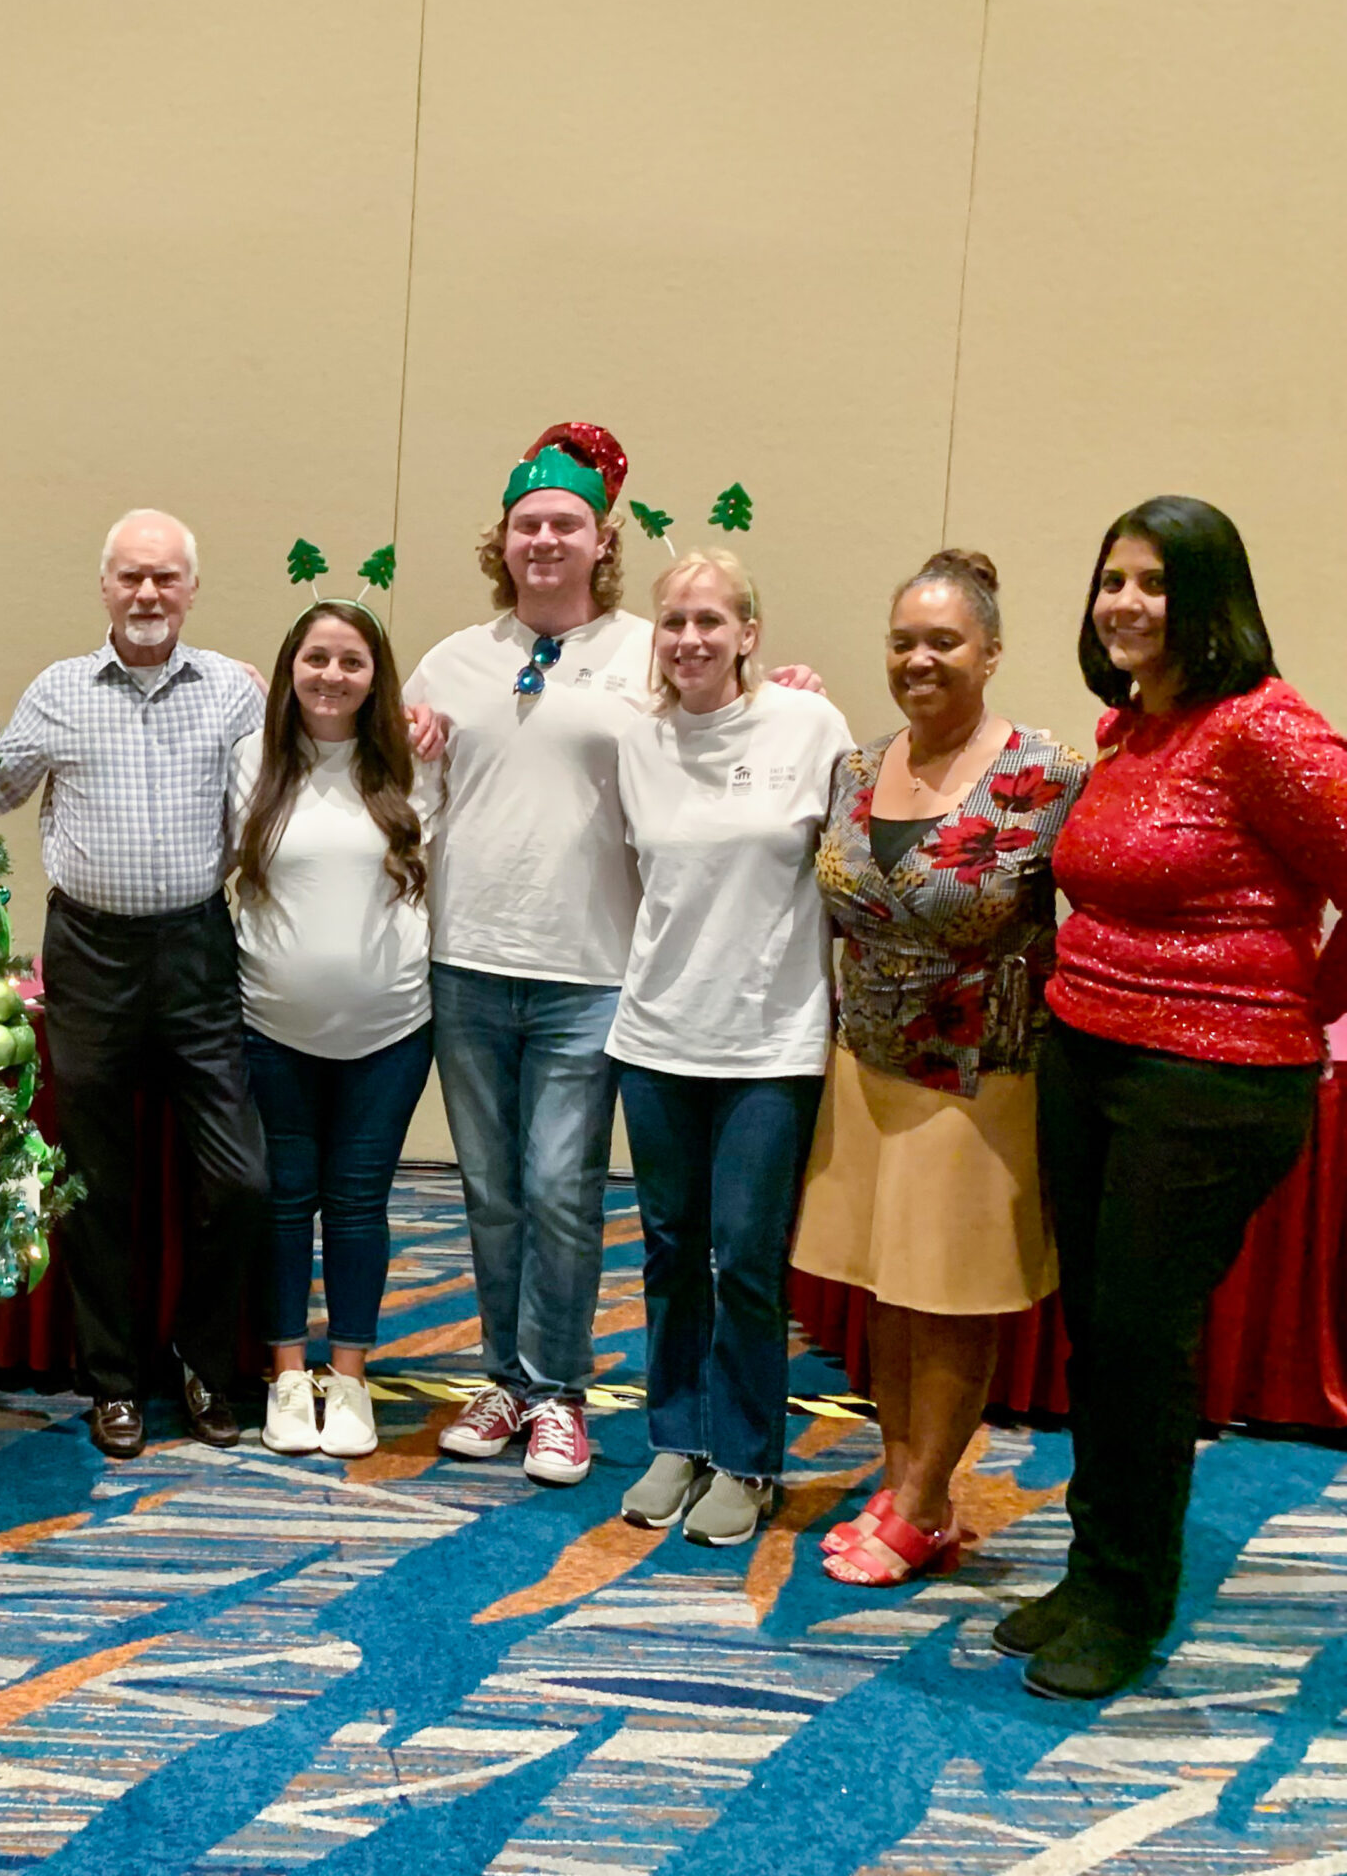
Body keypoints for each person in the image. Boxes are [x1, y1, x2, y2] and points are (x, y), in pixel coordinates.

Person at [993, 498, 1347, 1700]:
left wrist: (1302, 994)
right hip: (1089, 1054)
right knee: (1102, 1333)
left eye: (1154, 583)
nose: (1126, 604)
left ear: (1211, 600)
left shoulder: (1263, 730)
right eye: (1112, 581)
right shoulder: (1128, 730)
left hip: (1211, 1081)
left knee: (1144, 1341)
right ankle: (1094, 1571)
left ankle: (1129, 1604)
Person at [793, 552, 1085, 1586]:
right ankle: (901, 1479)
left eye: (944, 642)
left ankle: (923, 1506)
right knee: (888, 1288)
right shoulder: (856, 768)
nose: (919, 660)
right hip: (866, 1067)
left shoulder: (1046, 775)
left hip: (978, 1072)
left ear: (991, 653)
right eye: (902, 642)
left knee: (953, 1295)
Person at [0, 509, 272, 1457]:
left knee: (238, 1178)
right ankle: (111, 1383)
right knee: (95, 1183)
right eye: (131, 578)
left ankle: (199, 1363)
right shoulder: (58, 691)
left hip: (196, 953)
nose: (148, 595)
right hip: (91, 958)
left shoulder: (234, 690)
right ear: (103, 587)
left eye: (166, 579)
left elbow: (303, 773)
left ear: (192, 589)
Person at [403, 424, 655, 1488]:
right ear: (500, 542)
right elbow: (409, 806)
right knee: (490, 1190)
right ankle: (504, 1376)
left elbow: (729, 729)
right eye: (525, 524)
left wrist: (781, 681)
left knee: (561, 1186)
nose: (543, 538)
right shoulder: (453, 663)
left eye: (565, 523)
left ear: (602, 540)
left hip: (587, 970)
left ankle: (560, 1393)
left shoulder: (649, 653)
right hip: (467, 964)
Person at [608, 550, 851, 1548]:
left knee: (744, 1258)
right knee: (667, 1251)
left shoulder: (808, 727)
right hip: (658, 1033)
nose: (690, 640)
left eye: (712, 621)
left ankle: (747, 1456)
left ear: (750, 633)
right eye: (672, 623)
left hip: (767, 1045)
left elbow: (848, 874)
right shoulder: (636, 738)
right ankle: (677, 1433)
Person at [230, 598, 435, 1459]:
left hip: (389, 1032)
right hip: (270, 1028)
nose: (332, 676)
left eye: (352, 662)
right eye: (315, 658)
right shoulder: (248, 764)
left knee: (357, 1208)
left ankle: (347, 1377)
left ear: (376, 679)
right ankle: (285, 1374)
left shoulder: (419, 769)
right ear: (289, 668)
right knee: (284, 1205)